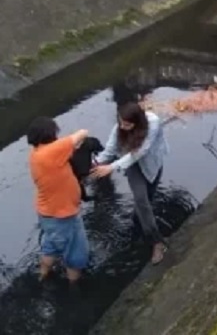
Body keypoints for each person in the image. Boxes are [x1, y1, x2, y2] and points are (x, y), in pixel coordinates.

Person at [91, 102, 170, 265]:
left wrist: (112, 167)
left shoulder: (153, 123)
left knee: (147, 199)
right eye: (121, 122)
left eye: (127, 124)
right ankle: (157, 242)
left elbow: (141, 151)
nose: (122, 126)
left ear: (138, 122)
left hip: (152, 163)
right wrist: (93, 164)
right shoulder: (119, 127)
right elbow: (110, 151)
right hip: (132, 166)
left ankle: (138, 222)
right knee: (141, 199)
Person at [27, 117, 92, 284]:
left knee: (51, 246)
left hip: (48, 214)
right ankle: (73, 289)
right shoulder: (53, 151)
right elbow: (83, 133)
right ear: (50, 134)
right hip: (63, 216)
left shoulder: (36, 153)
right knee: (75, 254)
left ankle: (42, 276)